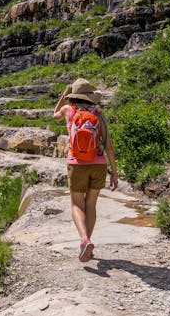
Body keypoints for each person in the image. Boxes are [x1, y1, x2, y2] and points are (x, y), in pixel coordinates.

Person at [53, 78, 118, 262]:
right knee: (91, 205)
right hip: (98, 164)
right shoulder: (98, 114)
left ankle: (84, 240)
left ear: (73, 95)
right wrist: (114, 172)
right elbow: (109, 146)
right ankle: (86, 242)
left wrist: (64, 96)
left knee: (76, 204)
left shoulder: (69, 110)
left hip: (77, 163)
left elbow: (54, 114)